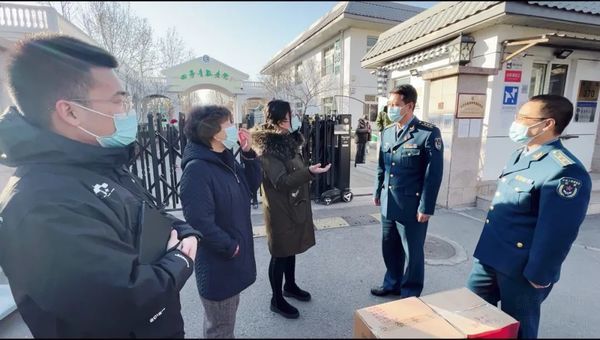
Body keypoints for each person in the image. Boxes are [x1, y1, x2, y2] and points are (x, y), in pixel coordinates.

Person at [0, 33, 200, 338]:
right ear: (70, 111)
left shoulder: (102, 164)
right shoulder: (38, 205)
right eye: (119, 100)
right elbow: (121, 301)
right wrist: (181, 260)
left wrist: (184, 231)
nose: (127, 110)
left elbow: (147, 216)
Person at [467, 95, 592, 339]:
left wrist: (539, 273)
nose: (517, 123)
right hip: (490, 255)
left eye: (524, 118)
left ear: (548, 124)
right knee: (474, 317)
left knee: (518, 328)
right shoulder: (520, 154)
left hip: (521, 269)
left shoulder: (565, 170)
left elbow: (557, 231)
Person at [180, 105, 261, 338]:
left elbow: (249, 188)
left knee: (221, 324)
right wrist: (231, 246)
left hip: (231, 260)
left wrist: (248, 153)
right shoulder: (197, 170)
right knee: (220, 329)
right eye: (230, 124)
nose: (236, 129)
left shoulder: (223, 158)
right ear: (215, 132)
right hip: (219, 265)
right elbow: (199, 222)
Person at [252, 100, 331, 319]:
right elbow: (281, 181)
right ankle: (276, 299)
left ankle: (291, 286)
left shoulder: (287, 141)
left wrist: (308, 171)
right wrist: (310, 173)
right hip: (280, 210)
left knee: (291, 248)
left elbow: (294, 171)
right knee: (280, 253)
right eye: (289, 116)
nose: (293, 119)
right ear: (277, 120)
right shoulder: (268, 147)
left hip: (294, 206)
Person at [371, 84, 444, 298]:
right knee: (389, 246)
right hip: (388, 201)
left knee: (412, 252)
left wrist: (426, 206)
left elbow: (433, 175)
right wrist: (377, 191)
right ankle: (392, 283)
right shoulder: (387, 133)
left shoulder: (427, 133)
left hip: (412, 206)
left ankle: (410, 292)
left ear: (409, 105)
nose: (391, 109)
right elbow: (382, 166)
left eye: (395, 105)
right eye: (389, 105)